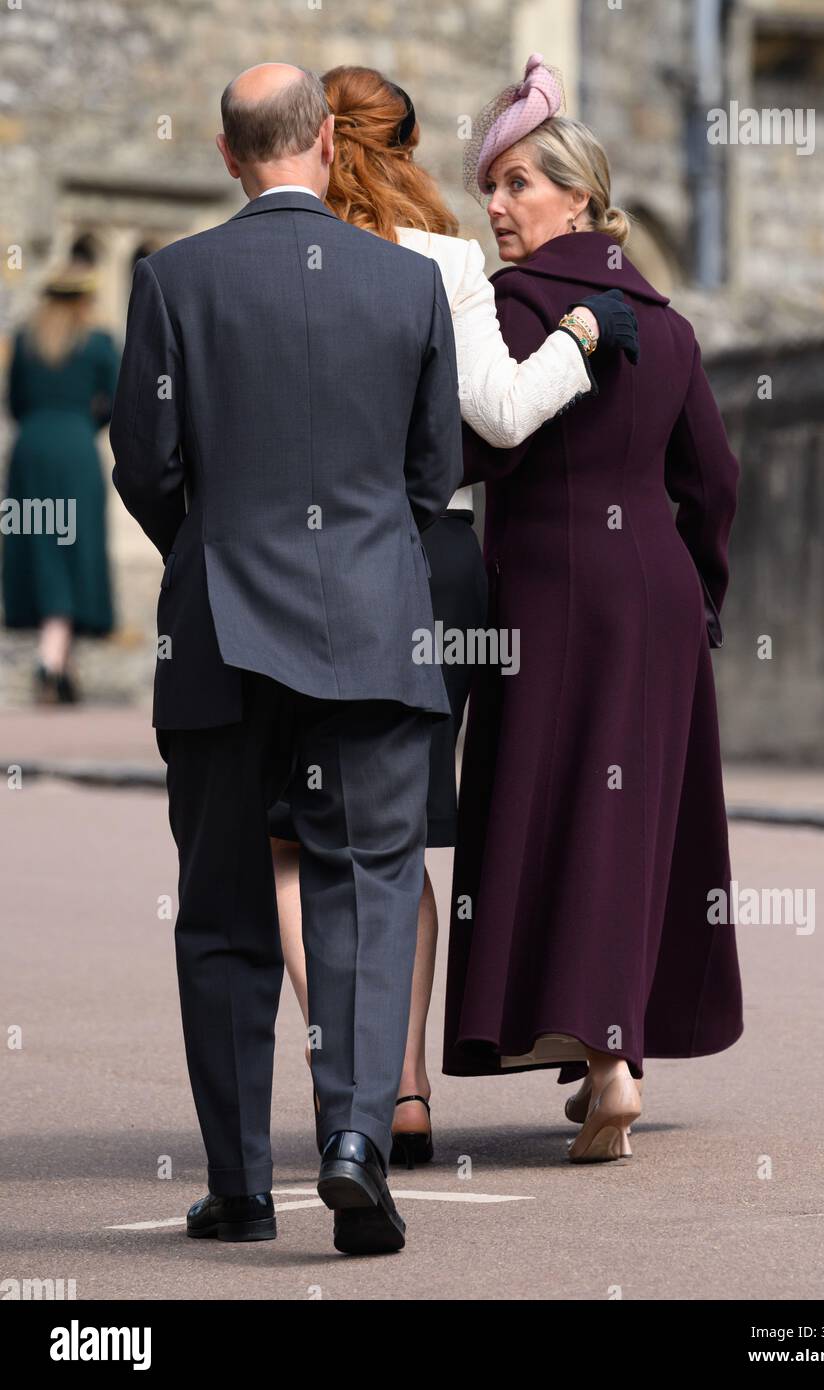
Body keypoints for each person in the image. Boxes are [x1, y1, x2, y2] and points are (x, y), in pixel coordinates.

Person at [110, 62, 462, 1255]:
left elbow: (145, 466)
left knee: (219, 912)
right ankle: (358, 1140)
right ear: (323, 146)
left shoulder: (172, 279)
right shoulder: (408, 284)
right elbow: (429, 476)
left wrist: (208, 549)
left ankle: (241, 1185)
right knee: (366, 892)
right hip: (369, 629)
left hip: (215, 634)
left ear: (227, 155)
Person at [268, 62, 639, 1166]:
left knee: (289, 844)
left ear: (315, 144)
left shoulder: (258, 255)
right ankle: (406, 1087)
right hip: (431, 571)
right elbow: (507, 414)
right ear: (410, 145)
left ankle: (342, 1063)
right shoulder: (443, 262)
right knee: (397, 843)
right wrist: (579, 336)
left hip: (294, 569)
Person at [442, 57, 743, 1162]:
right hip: (655, 595)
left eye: (519, 184)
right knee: (629, 820)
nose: (498, 206)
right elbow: (715, 478)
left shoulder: (507, 312)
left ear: (576, 195)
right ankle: (610, 1057)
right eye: (493, 187)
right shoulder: (664, 325)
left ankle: (607, 1063)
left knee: (556, 816)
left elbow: (468, 450)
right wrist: (699, 589)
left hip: (546, 596)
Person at [2, 265, 119, 703]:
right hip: (74, 449)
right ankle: (51, 662)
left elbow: (14, 403)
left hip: (30, 449)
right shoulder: (98, 343)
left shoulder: (25, 342)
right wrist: (87, 421)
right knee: (74, 547)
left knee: (40, 541)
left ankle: (60, 666)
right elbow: (118, 398)